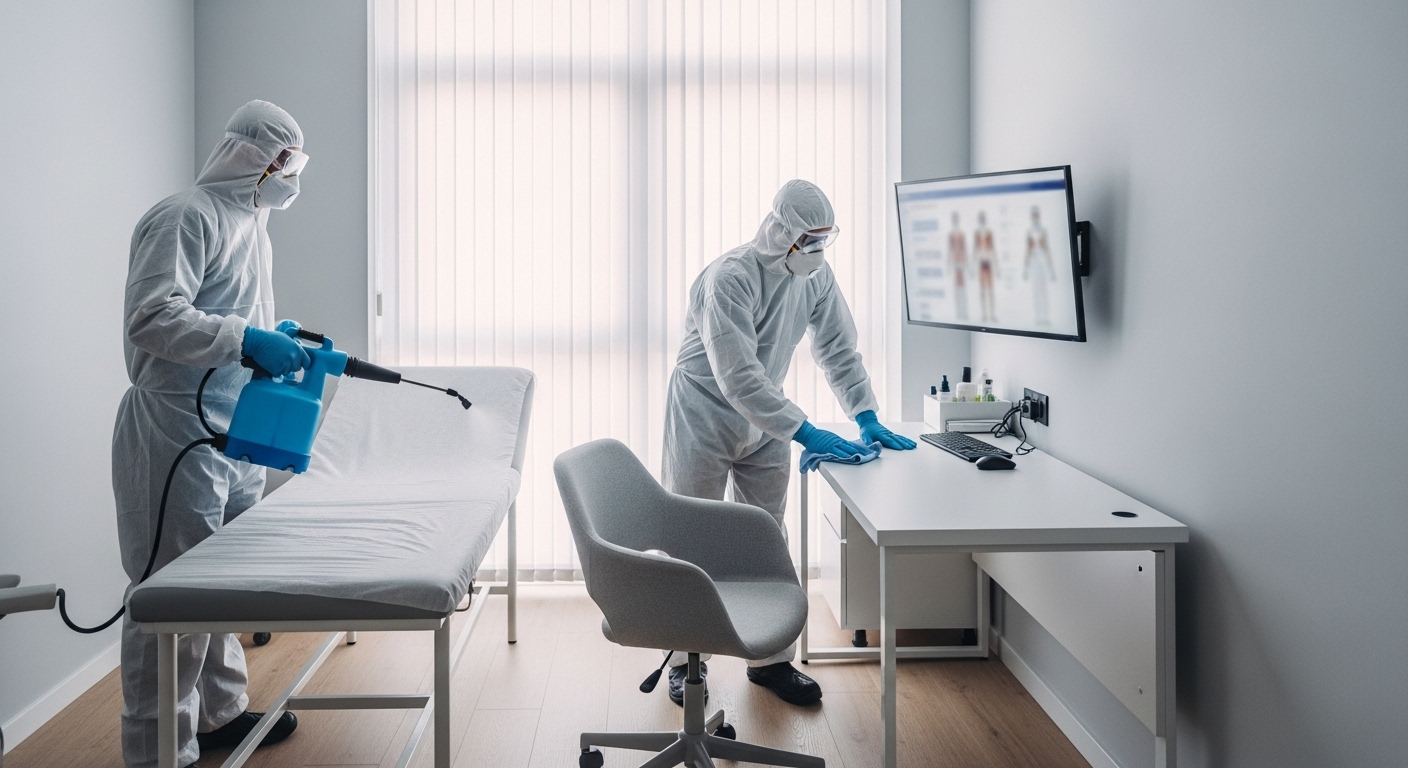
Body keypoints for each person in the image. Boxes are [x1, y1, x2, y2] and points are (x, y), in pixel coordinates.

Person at [661, 180, 916, 707]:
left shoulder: (815, 277)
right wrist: (807, 431)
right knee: (695, 537)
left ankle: (770, 662)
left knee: (765, 537)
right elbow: (736, 377)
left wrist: (865, 414)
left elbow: (839, 348)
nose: (818, 250)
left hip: (768, 416)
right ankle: (687, 663)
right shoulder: (729, 278)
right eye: (810, 239)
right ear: (780, 231)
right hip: (703, 412)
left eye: (826, 239)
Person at [113, 100, 309, 768]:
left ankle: (221, 713)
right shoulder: (186, 216)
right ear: (251, 155)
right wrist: (244, 337)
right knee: (172, 596)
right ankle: (158, 749)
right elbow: (152, 316)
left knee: (224, 583)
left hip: (233, 423)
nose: (289, 175)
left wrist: (263, 336)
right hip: (173, 428)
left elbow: (234, 309)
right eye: (283, 161)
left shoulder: (253, 223)